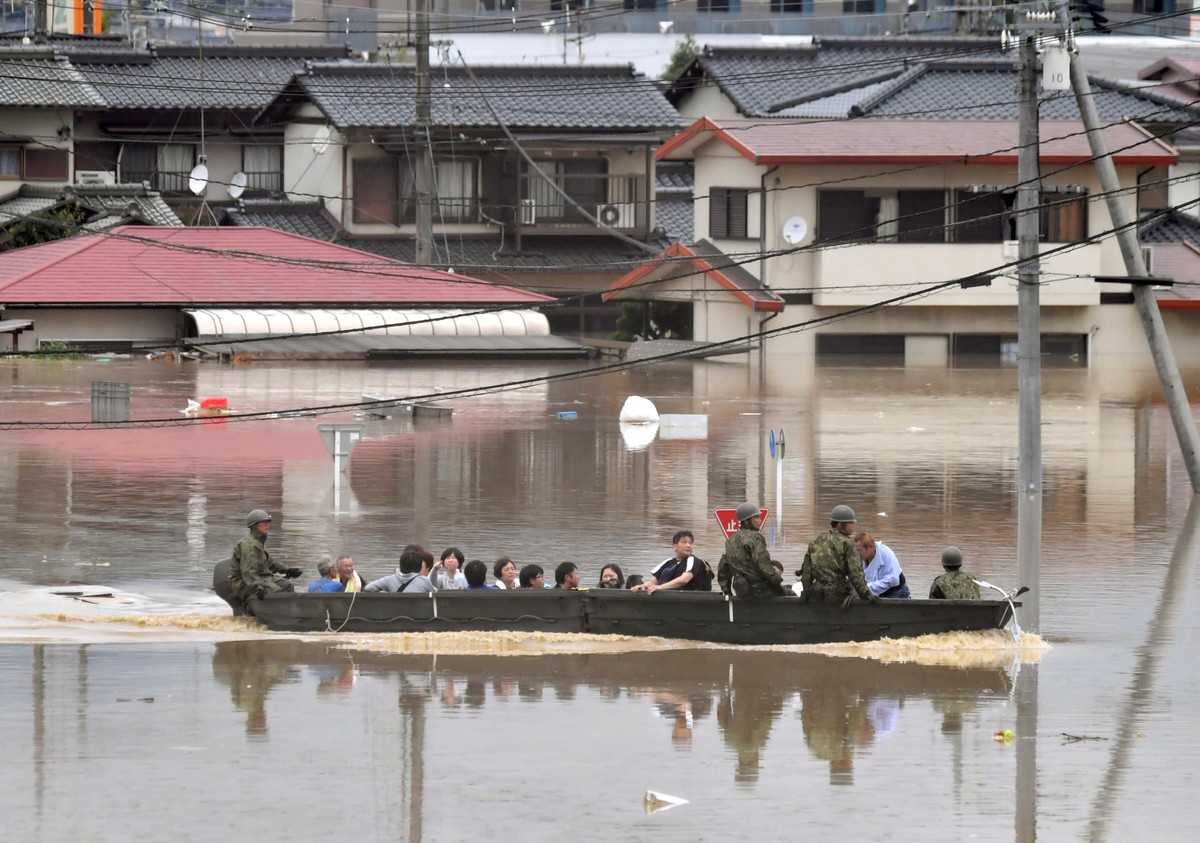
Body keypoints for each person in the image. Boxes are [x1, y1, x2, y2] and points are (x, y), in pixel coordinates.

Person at [800, 505, 876, 606]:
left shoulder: (815, 541)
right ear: (840, 524)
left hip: (817, 593)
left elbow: (807, 571)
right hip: (838, 595)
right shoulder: (848, 543)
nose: (853, 525)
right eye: (851, 523)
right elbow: (855, 574)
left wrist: (805, 593)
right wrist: (866, 593)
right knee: (854, 590)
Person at [228, 509, 301, 610]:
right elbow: (248, 572)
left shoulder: (257, 543)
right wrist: (258, 586)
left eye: (268, 522)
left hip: (259, 579)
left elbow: (270, 562)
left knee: (287, 585)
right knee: (274, 590)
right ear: (255, 526)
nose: (267, 525)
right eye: (264, 523)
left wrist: (288, 570)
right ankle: (274, 615)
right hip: (243, 584)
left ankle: (289, 612)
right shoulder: (249, 545)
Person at [717, 502, 786, 599]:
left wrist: (727, 591)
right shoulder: (755, 538)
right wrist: (778, 581)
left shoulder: (730, 541)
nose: (760, 520)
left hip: (741, 591)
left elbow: (723, 568)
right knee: (790, 592)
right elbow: (765, 566)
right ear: (746, 521)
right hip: (759, 590)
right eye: (756, 518)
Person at [635, 530, 713, 594]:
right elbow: (653, 583)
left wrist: (660, 587)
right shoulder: (668, 562)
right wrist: (641, 587)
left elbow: (684, 579)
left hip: (689, 601)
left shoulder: (693, 560)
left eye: (690, 543)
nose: (688, 545)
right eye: (684, 542)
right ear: (675, 546)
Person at [853, 531, 910, 599]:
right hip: (878, 593)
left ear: (869, 548)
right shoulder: (862, 557)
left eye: (859, 550)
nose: (857, 553)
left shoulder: (886, 554)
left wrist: (867, 588)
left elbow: (893, 580)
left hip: (897, 592)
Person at [364, 547, 439, 594]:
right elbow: (434, 594)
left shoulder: (389, 579)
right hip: (417, 617)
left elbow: (368, 588)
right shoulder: (424, 581)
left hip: (394, 617)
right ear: (419, 567)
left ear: (401, 565)